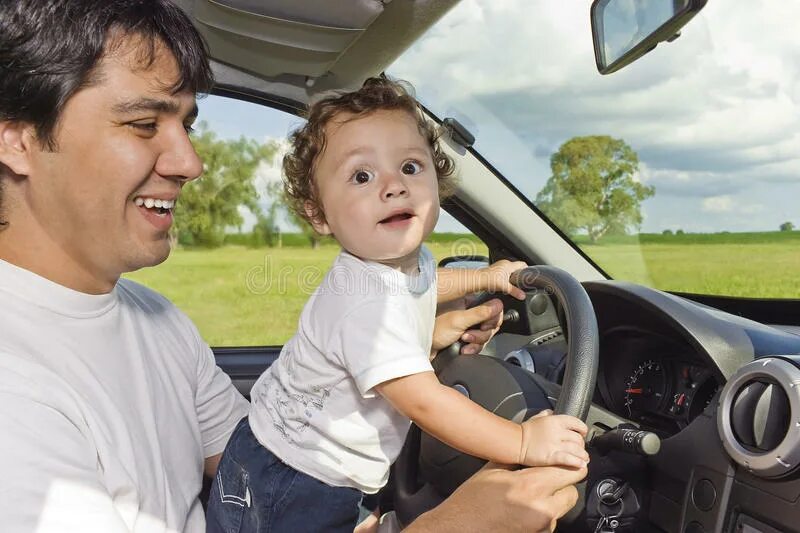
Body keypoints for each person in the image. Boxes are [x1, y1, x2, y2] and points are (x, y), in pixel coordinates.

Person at [0, 1, 586, 531]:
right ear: (18, 139)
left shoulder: (154, 319)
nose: (191, 162)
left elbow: (249, 461)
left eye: (188, 126)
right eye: (143, 124)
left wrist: (409, 339)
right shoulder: (15, 395)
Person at [205, 78, 589, 533]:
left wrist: (486, 276)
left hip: (286, 457)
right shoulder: (363, 301)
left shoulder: (400, 263)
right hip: (293, 477)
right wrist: (522, 441)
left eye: (410, 166)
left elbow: (429, 283)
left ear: (436, 175)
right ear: (319, 213)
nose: (393, 186)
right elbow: (426, 403)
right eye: (362, 176)